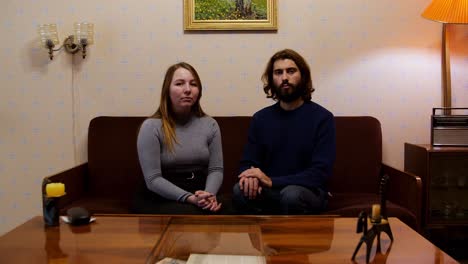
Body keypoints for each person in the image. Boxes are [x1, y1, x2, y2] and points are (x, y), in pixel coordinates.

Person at [232, 49, 336, 214]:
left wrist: (271, 181)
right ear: (272, 80)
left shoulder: (322, 118)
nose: (285, 78)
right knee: (240, 190)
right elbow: (247, 163)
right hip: (269, 191)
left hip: (307, 191)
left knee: (291, 196)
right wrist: (250, 177)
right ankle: (264, 238)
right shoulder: (260, 119)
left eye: (291, 71)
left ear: (303, 76)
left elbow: (320, 173)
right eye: (278, 72)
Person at [132, 62, 223, 214]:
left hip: (200, 191)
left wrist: (209, 195)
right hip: (161, 195)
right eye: (179, 84)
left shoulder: (210, 124)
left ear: (199, 91)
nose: (187, 90)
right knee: (191, 214)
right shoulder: (151, 127)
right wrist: (190, 198)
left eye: (193, 84)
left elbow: (216, 169)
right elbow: (153, 179)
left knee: (227, 209)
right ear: (167, 90)